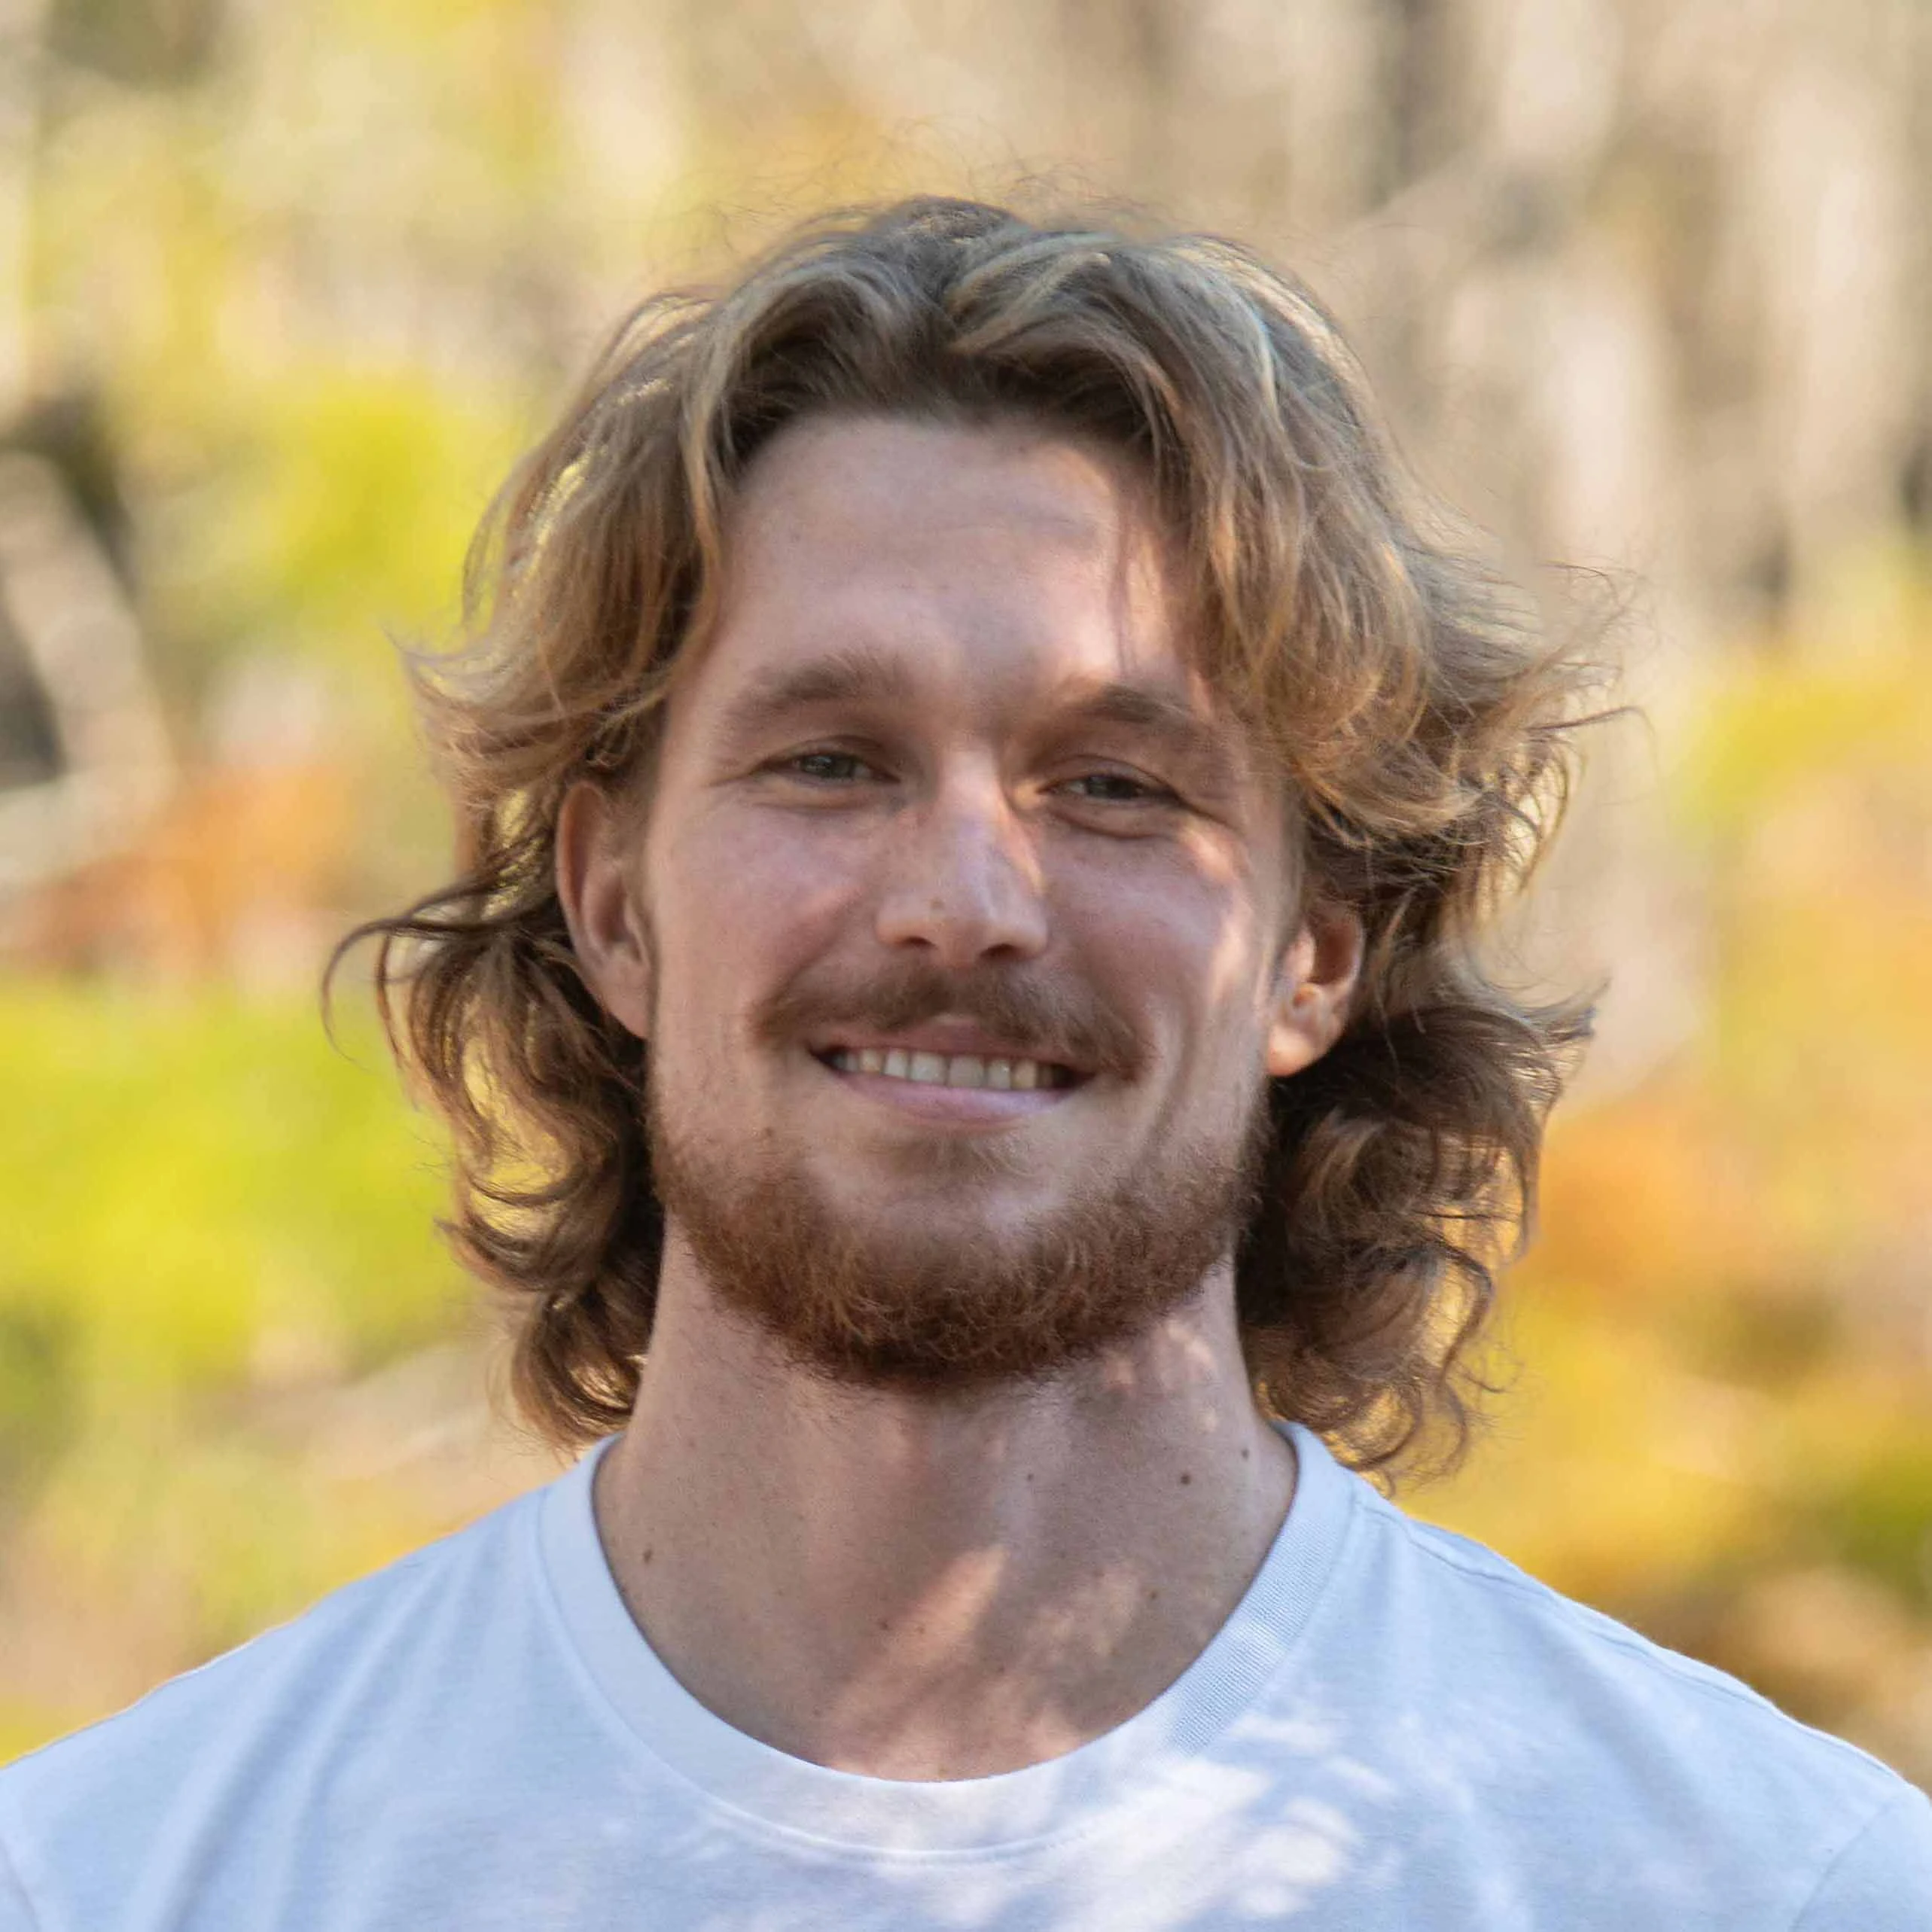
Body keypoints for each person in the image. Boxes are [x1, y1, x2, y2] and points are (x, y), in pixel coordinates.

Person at [2, 197, 1927, 1931]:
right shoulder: (125, 1878)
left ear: (1313, 951)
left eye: (1112, 783)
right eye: (830, 758)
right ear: (609, 901)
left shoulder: (1759, 1885)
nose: (964, 900)